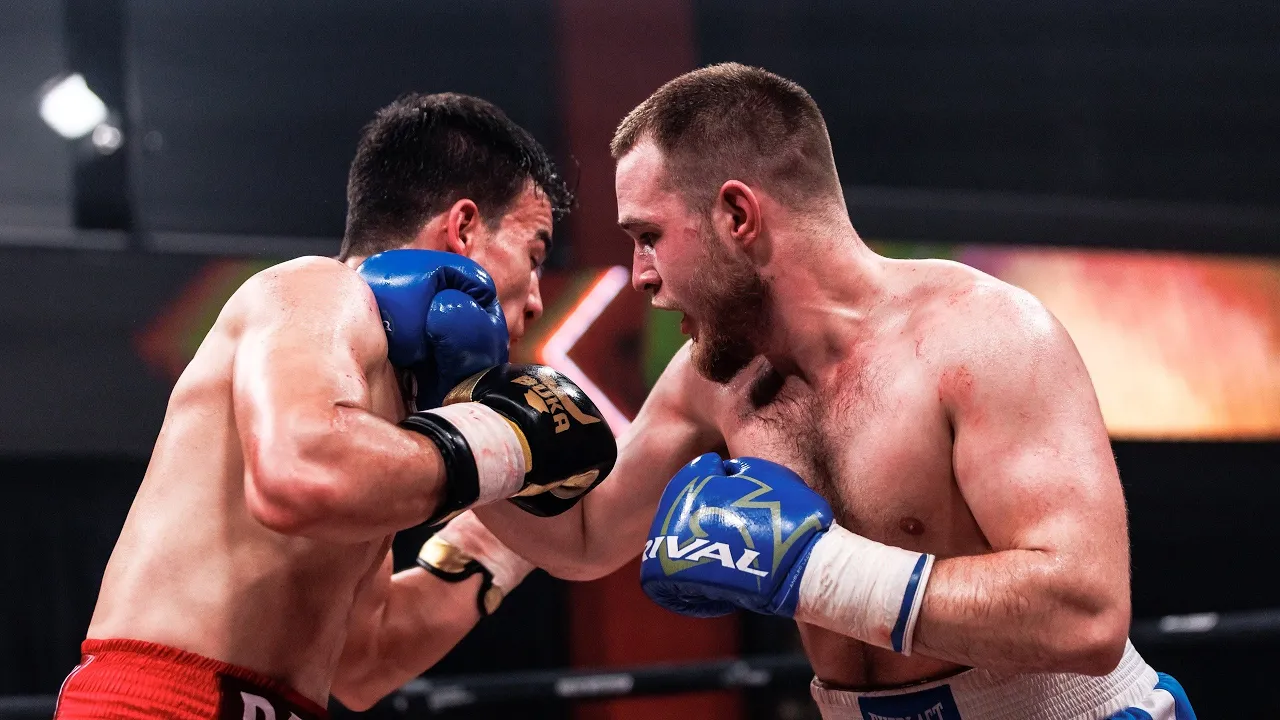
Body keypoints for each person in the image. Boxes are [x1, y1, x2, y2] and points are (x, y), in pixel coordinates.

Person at [473, 64, 1198, 719]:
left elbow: (1086, 616)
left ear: (737, 216)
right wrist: (445, 423)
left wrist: (811, 570)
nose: (641, 275)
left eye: (649, 236)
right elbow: (586, 536)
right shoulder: (713, 377)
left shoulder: (981, 336)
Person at [53, 92, 616, 720]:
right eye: (534, 255)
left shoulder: (384, 416)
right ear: (463, 227)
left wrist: (508, 538)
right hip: (164, 703)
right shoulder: (315, 289)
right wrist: (507, 442)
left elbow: (365, 660)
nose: (537, 298)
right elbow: (302, 473)